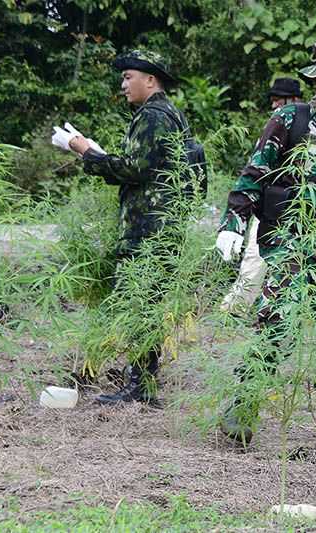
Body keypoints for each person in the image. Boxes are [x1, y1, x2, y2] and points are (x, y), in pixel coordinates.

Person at [215, 37, 316, 446]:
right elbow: (254, 173)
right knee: (277, 323)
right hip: (294, 240)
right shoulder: (291, 120)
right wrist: (232, 223)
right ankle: (242, 407)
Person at [53, 49, 194, 405]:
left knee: (141, 301)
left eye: (128, 77)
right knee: (146, 301)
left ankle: (140, 386)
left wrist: (85, 151)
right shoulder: (168, 114)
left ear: (150, 80)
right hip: (161, 224)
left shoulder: (153, 115)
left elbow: (136, 169)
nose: (123, 84)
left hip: (149, 228)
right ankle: (142, 380)